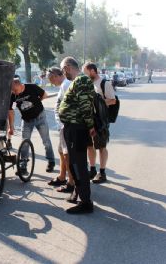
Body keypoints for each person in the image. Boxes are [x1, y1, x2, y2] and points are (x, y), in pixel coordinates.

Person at [59, 57, 96, 214]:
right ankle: (78, 194)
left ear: (67, 67)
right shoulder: (80, 81)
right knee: (75, 163)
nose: (63, 73)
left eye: (62, 70)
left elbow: (85, 106)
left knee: (78, 165)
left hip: (77, 129)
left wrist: (90, 126)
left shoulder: (81, 81)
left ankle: (85, 202)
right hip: (74, 128)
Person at [8, 76, 56, 172]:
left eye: (15, 90)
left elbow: (44, 95)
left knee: (46, 141)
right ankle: (23, 164)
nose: (15, 93)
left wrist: (38, 102)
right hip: (26, 120)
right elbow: (11, 111)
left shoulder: (32, 87)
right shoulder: (12, 95)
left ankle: (51, 161)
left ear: (19, 84)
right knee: (24, 142)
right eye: (13, 91)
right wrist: (11, 127)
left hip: (40, 117)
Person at [82, 63, 117, 183]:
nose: (84, 74)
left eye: (85, 72)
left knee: (101, 146)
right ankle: (92, 169)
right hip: (89, 119)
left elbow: (112, 100)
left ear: (92, 71)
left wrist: (99, 103)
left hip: (101, 120)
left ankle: (102, 173)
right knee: (89, 145)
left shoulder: (104, 83)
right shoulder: (88, 83)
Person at [46, 67, 74, 193]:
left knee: (67, 154)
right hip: (62, 126)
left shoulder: (66, 85)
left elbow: (70, 105)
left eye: (51, 79)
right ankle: (63, 177)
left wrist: (64, 125)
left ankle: (71, 182)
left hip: (66, 126)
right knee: (61, 152)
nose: (51, 82)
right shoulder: (64, 85)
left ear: (56, 76)